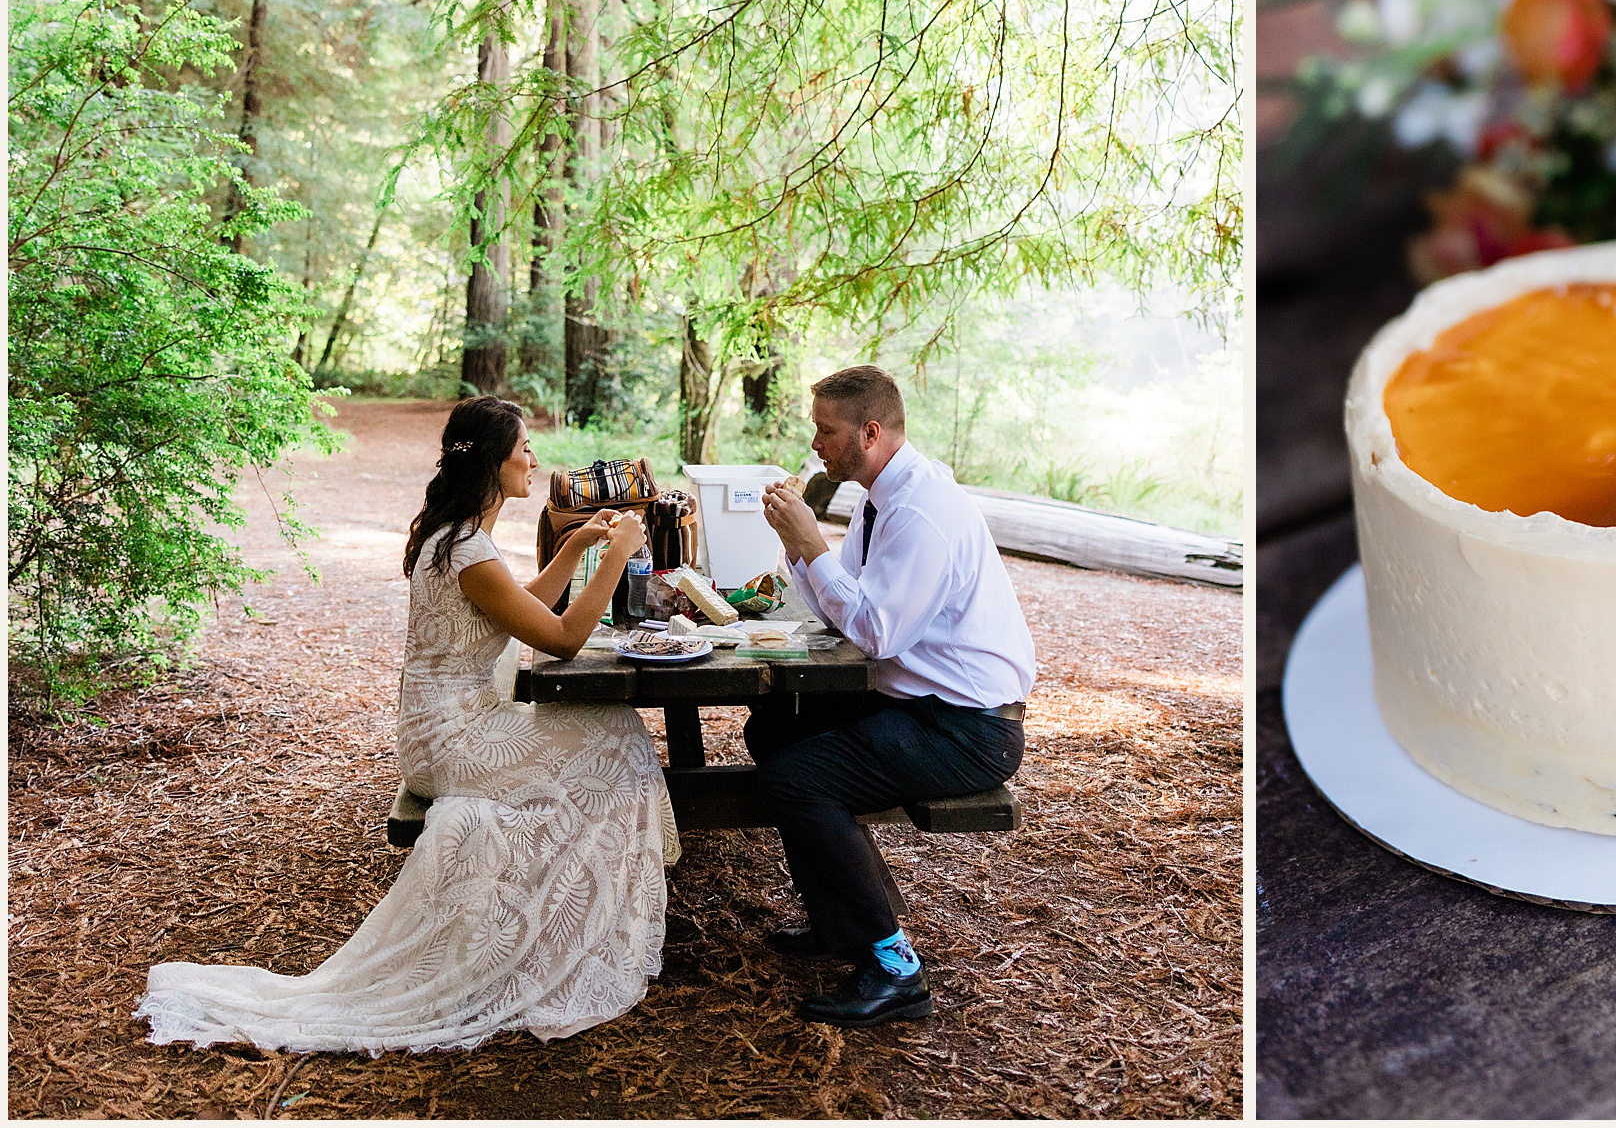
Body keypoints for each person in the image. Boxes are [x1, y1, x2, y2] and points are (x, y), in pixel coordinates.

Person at [137, 396, 677, 1053]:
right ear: (494, 461)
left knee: (612, 731)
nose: (534, 459)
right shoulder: (467, 549)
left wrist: (575, 546)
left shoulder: (456, 537)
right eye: (524, 448)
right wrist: (621, 549)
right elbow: (562, 637)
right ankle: (573, 928)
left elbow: (517, 609)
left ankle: (576, 909)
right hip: (458, 739)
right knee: (617, 738)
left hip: (444, 728)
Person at [754, 365, 1038, 1026]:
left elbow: (876, 631)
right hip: (918, 699)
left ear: (870, 431)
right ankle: (838, 925)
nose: (816, 443)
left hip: (969, 727)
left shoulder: (920, 512)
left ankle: (894, 966)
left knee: (799, 780)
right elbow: (844, 604)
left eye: (826, 430)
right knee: (773, 728)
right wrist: (798, 549)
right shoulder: (879, 497)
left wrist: (808, 543)